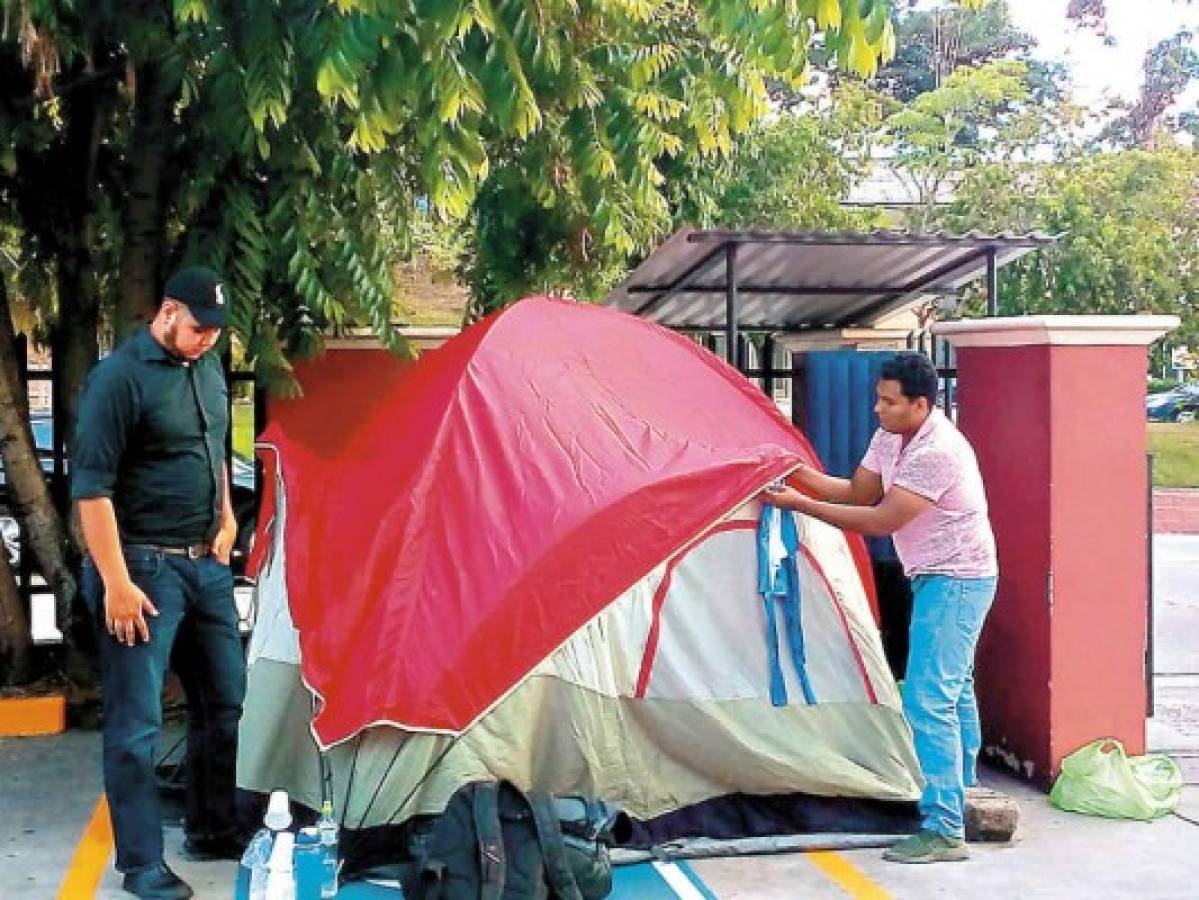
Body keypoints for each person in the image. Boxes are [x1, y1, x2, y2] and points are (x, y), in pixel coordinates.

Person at [762, 352, 997, 864]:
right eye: (877, 399)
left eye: (889, 402)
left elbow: (879, 520)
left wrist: (797, 504)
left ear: (921, 404)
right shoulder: (892, 436)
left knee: (929, 698)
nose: (877, 409)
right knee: (952, 691)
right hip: (934, 575)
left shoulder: (939, 450)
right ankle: (963, 791)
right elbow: (854, 490)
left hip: (958, 578)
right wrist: (794, 471)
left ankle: (944, 828)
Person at [72, 267, 245, 899]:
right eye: (198, 329)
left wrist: (226, 515)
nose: (207, 341)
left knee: (225, 701)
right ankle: (141, 863)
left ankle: (212, 827)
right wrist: (115, 582)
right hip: (142, 570)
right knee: (136, 723)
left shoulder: (207, 368)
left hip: (207, 566)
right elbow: (91, 488)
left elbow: (217, 447)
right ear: (168, 312)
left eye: (217, 334)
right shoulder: (118, 378)